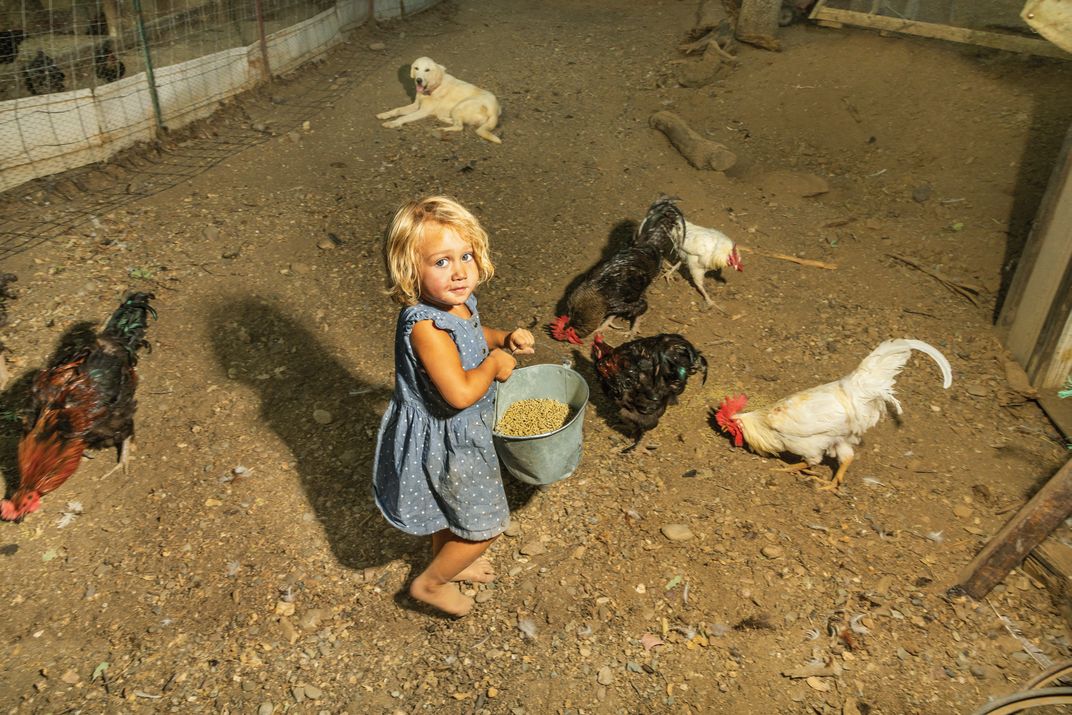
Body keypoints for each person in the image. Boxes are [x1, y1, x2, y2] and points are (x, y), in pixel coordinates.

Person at [373, 195, 535, 616]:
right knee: (485, 525)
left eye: (466, 255)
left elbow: (471, 336)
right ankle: (431, 582)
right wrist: (496, 365)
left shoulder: (455, 304)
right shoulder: (426, 328)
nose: (460, 271)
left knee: (450, 507)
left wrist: (501, 340)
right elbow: (461, 394)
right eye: (441, 262)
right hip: (449, 439)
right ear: (411, 270)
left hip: (458, 432)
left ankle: (450, 559)